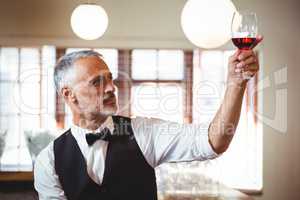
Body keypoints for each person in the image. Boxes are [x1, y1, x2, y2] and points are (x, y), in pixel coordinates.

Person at [34, 47, 260, 200]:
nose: (112, 87)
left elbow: (214, 140)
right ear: (69, 94)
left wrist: (236, 83)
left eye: (111, 78)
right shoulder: (48, 160)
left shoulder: (143, 132)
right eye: (97, 82)